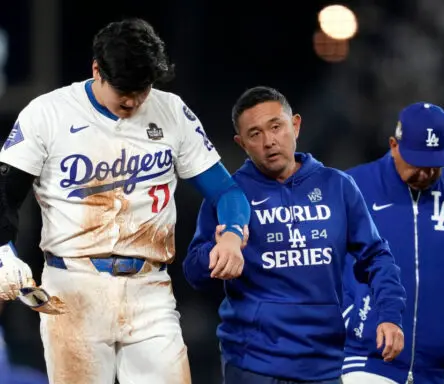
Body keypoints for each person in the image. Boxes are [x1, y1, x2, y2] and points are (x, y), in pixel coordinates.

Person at [0, 18, 250, 384]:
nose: (133, 100)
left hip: (149, 290)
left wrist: (231, 233)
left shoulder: (171, 112)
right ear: (96, 70)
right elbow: (5, 193)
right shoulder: (48, 113)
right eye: (123, 91)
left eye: (142, 90)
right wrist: (4, 252)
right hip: (73, 290)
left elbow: (227, 192)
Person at [183, 86, 407, 384]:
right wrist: (217, 250)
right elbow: (193, 272)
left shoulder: (338, 187)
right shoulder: (230, 195)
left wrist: (389, 314)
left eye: (276, 127)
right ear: (242, 144)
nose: (269, 141)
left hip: (323, 364)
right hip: (253, 364)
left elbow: (377, 257)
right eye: (255, 134)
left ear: (296, 125)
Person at [341, 102, 444, 384]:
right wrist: (352, 316)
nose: (426, 174)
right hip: (367, 361)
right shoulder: (354, 186)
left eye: (435, 165)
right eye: (418, 163)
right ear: (394, 145)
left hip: (439, 369)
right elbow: (326, 262)